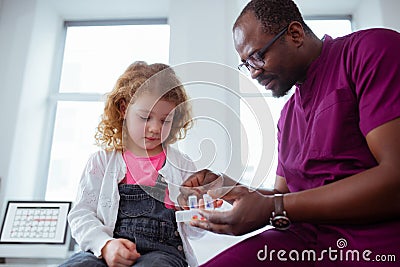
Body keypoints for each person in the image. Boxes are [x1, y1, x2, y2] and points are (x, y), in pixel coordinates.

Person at [178, 0, 400, 266]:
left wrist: (275, 207)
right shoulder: (288, 116)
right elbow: (284, 195)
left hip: (371, 243)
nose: (254, 72)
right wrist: (231, 189)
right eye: (246, 64)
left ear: (295, 34)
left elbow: (395, 177)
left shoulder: (369, 52)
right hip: (301, 244)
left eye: (258, 56)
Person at [60, 61, 203, 267]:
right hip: (106, 250)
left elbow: (193, 231)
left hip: (163, 254)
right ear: (124, 109)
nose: (155, 128)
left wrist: (198, 216)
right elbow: (82, 214)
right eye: (146, 117)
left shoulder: (183, 166)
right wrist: (105, 245)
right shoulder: (101, 161)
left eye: (166, 120)